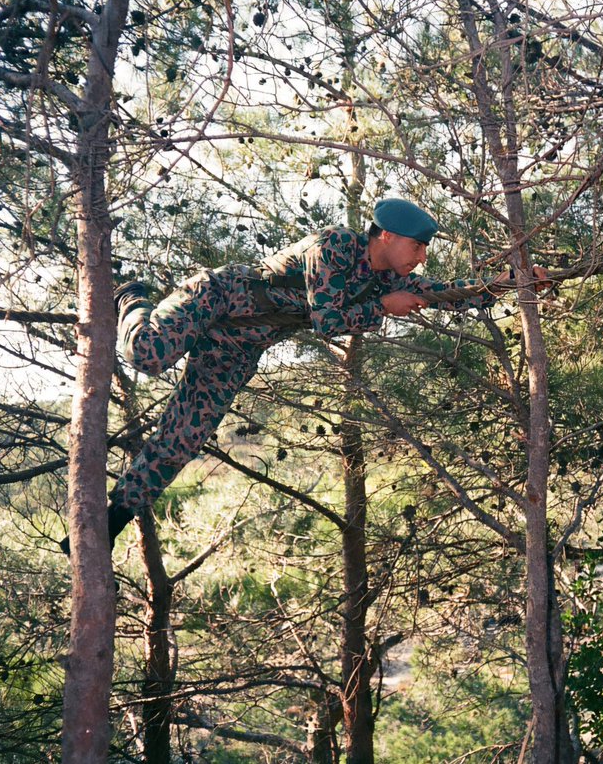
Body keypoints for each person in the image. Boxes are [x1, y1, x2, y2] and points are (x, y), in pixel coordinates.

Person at [61, 199, 548, 554]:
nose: (422, 257)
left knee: (185, 436)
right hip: (220, 298)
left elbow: (448, 293)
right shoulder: (334, 246)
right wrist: (382, 305)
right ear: (386, 236)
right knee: (146, 354)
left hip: (242, 342)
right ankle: (132, 298)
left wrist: (511, 283)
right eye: (418, 246)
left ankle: (110, 520)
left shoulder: (390, 278)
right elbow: (329, 320)